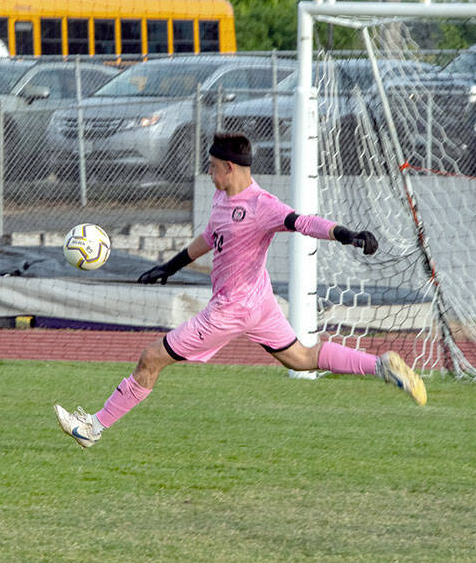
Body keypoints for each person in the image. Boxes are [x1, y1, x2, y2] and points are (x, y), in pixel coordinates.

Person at [54, 132, 426, 449]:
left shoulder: (261, 205)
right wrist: (171, 265)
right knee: (300, 358)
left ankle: (93, 428)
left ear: (229, 168)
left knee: (151, 359)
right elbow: (210, 237)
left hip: (231, 309)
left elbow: (302, 222)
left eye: (213, 166)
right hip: (259, 301)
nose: (209, 172)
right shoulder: (222, 197)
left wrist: (346, 234)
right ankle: (380, 367)